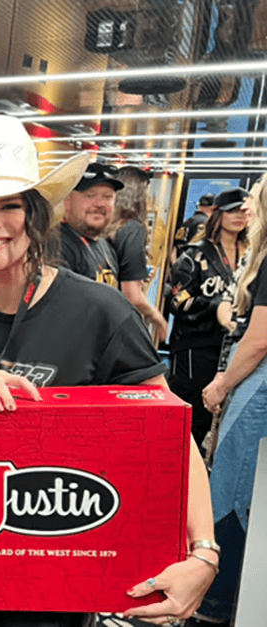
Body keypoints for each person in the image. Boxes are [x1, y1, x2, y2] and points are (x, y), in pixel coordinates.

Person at [0, 114, 217, 627]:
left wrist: (204, 554)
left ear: (36, 214)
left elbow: (171, 437)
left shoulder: (102, 312)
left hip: (65, 588)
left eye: (10, 205)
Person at [200, 175, 267, 625]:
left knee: (234, 495)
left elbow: (260, 337)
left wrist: (223, 383)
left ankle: (217, 602)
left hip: (258, 392)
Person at [168, 187, 249, 453]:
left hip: (233, 348)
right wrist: (215, 306)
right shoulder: (195, 255)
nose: (238, 216)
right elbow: (177, 302)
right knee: (192, 418)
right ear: (218, 215)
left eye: (243, 210)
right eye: (232, 210)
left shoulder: (251, 255)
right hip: (195, 349)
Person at [109, 165, 169, 343]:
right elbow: (132, 293)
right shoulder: (132, 228)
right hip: (117, 317)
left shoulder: (109, 225)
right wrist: (155, 315)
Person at [59, 162, 122, 286]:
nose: (99, 204)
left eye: (107, 197)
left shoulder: (106, 247)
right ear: (67, 202)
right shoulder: (55, 245)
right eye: (89, 195)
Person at [172, 192, 217, 264]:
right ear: (213, 209)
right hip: (192, 266)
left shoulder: (187, 222)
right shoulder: (206, 224)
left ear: (199, 206)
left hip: (180, 264)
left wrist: (175, 264)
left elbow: (175, 247)